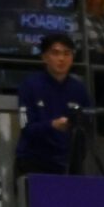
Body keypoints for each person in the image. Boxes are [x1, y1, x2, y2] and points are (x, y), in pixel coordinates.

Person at [14, 33, 90, 175]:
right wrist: (51, 125)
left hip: (68, 164)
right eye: (55, 53)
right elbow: (25, 126)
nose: (61, 59)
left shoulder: (79, 89)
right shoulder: (29, 86)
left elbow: (87, 126)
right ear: (44, 57)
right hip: (33, 162)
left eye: (67, 53)